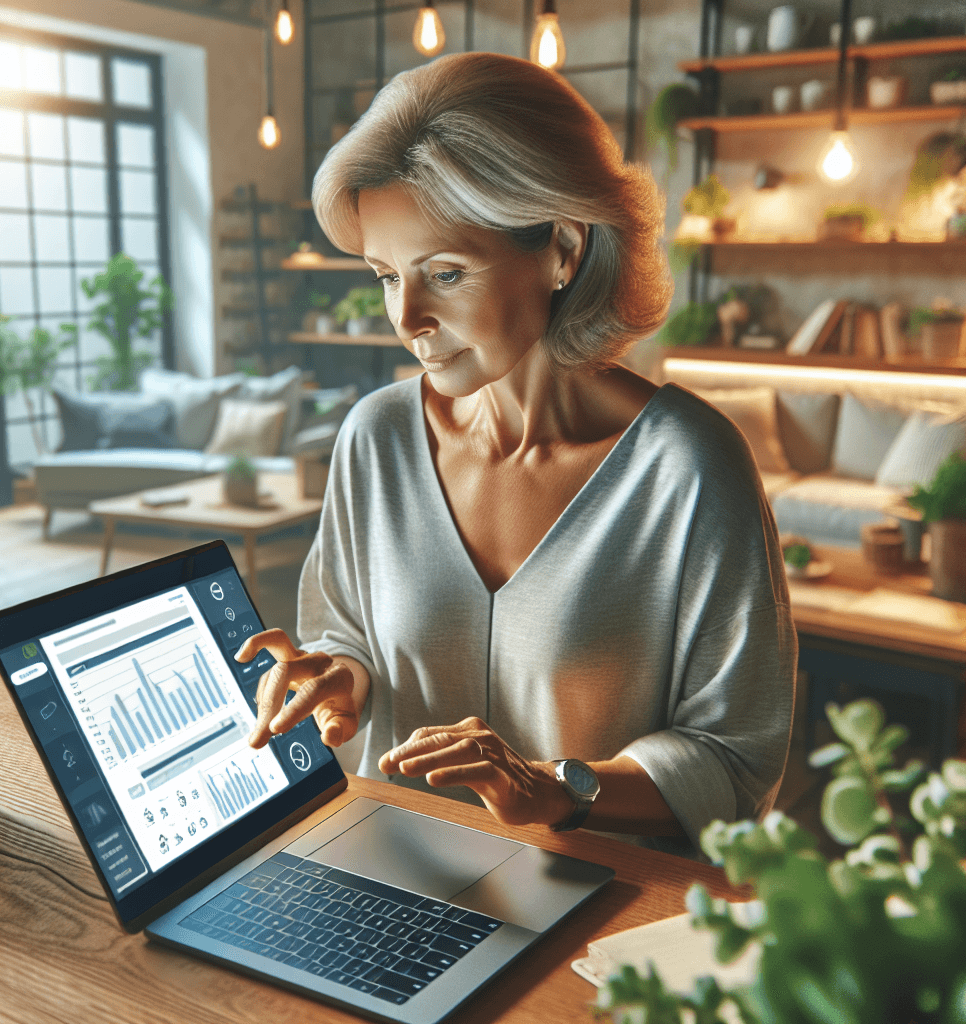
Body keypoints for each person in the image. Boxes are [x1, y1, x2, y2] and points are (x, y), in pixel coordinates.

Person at [235, 51, 796, 854]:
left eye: (446, 273)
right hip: (391, 878)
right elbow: (351, 633)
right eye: (386, 275)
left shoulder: (692, 467)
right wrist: (336, 675)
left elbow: (734, 765)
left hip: (597, 919)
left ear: (563, 248)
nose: (407, 318)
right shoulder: (376, 436)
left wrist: (555, 790)